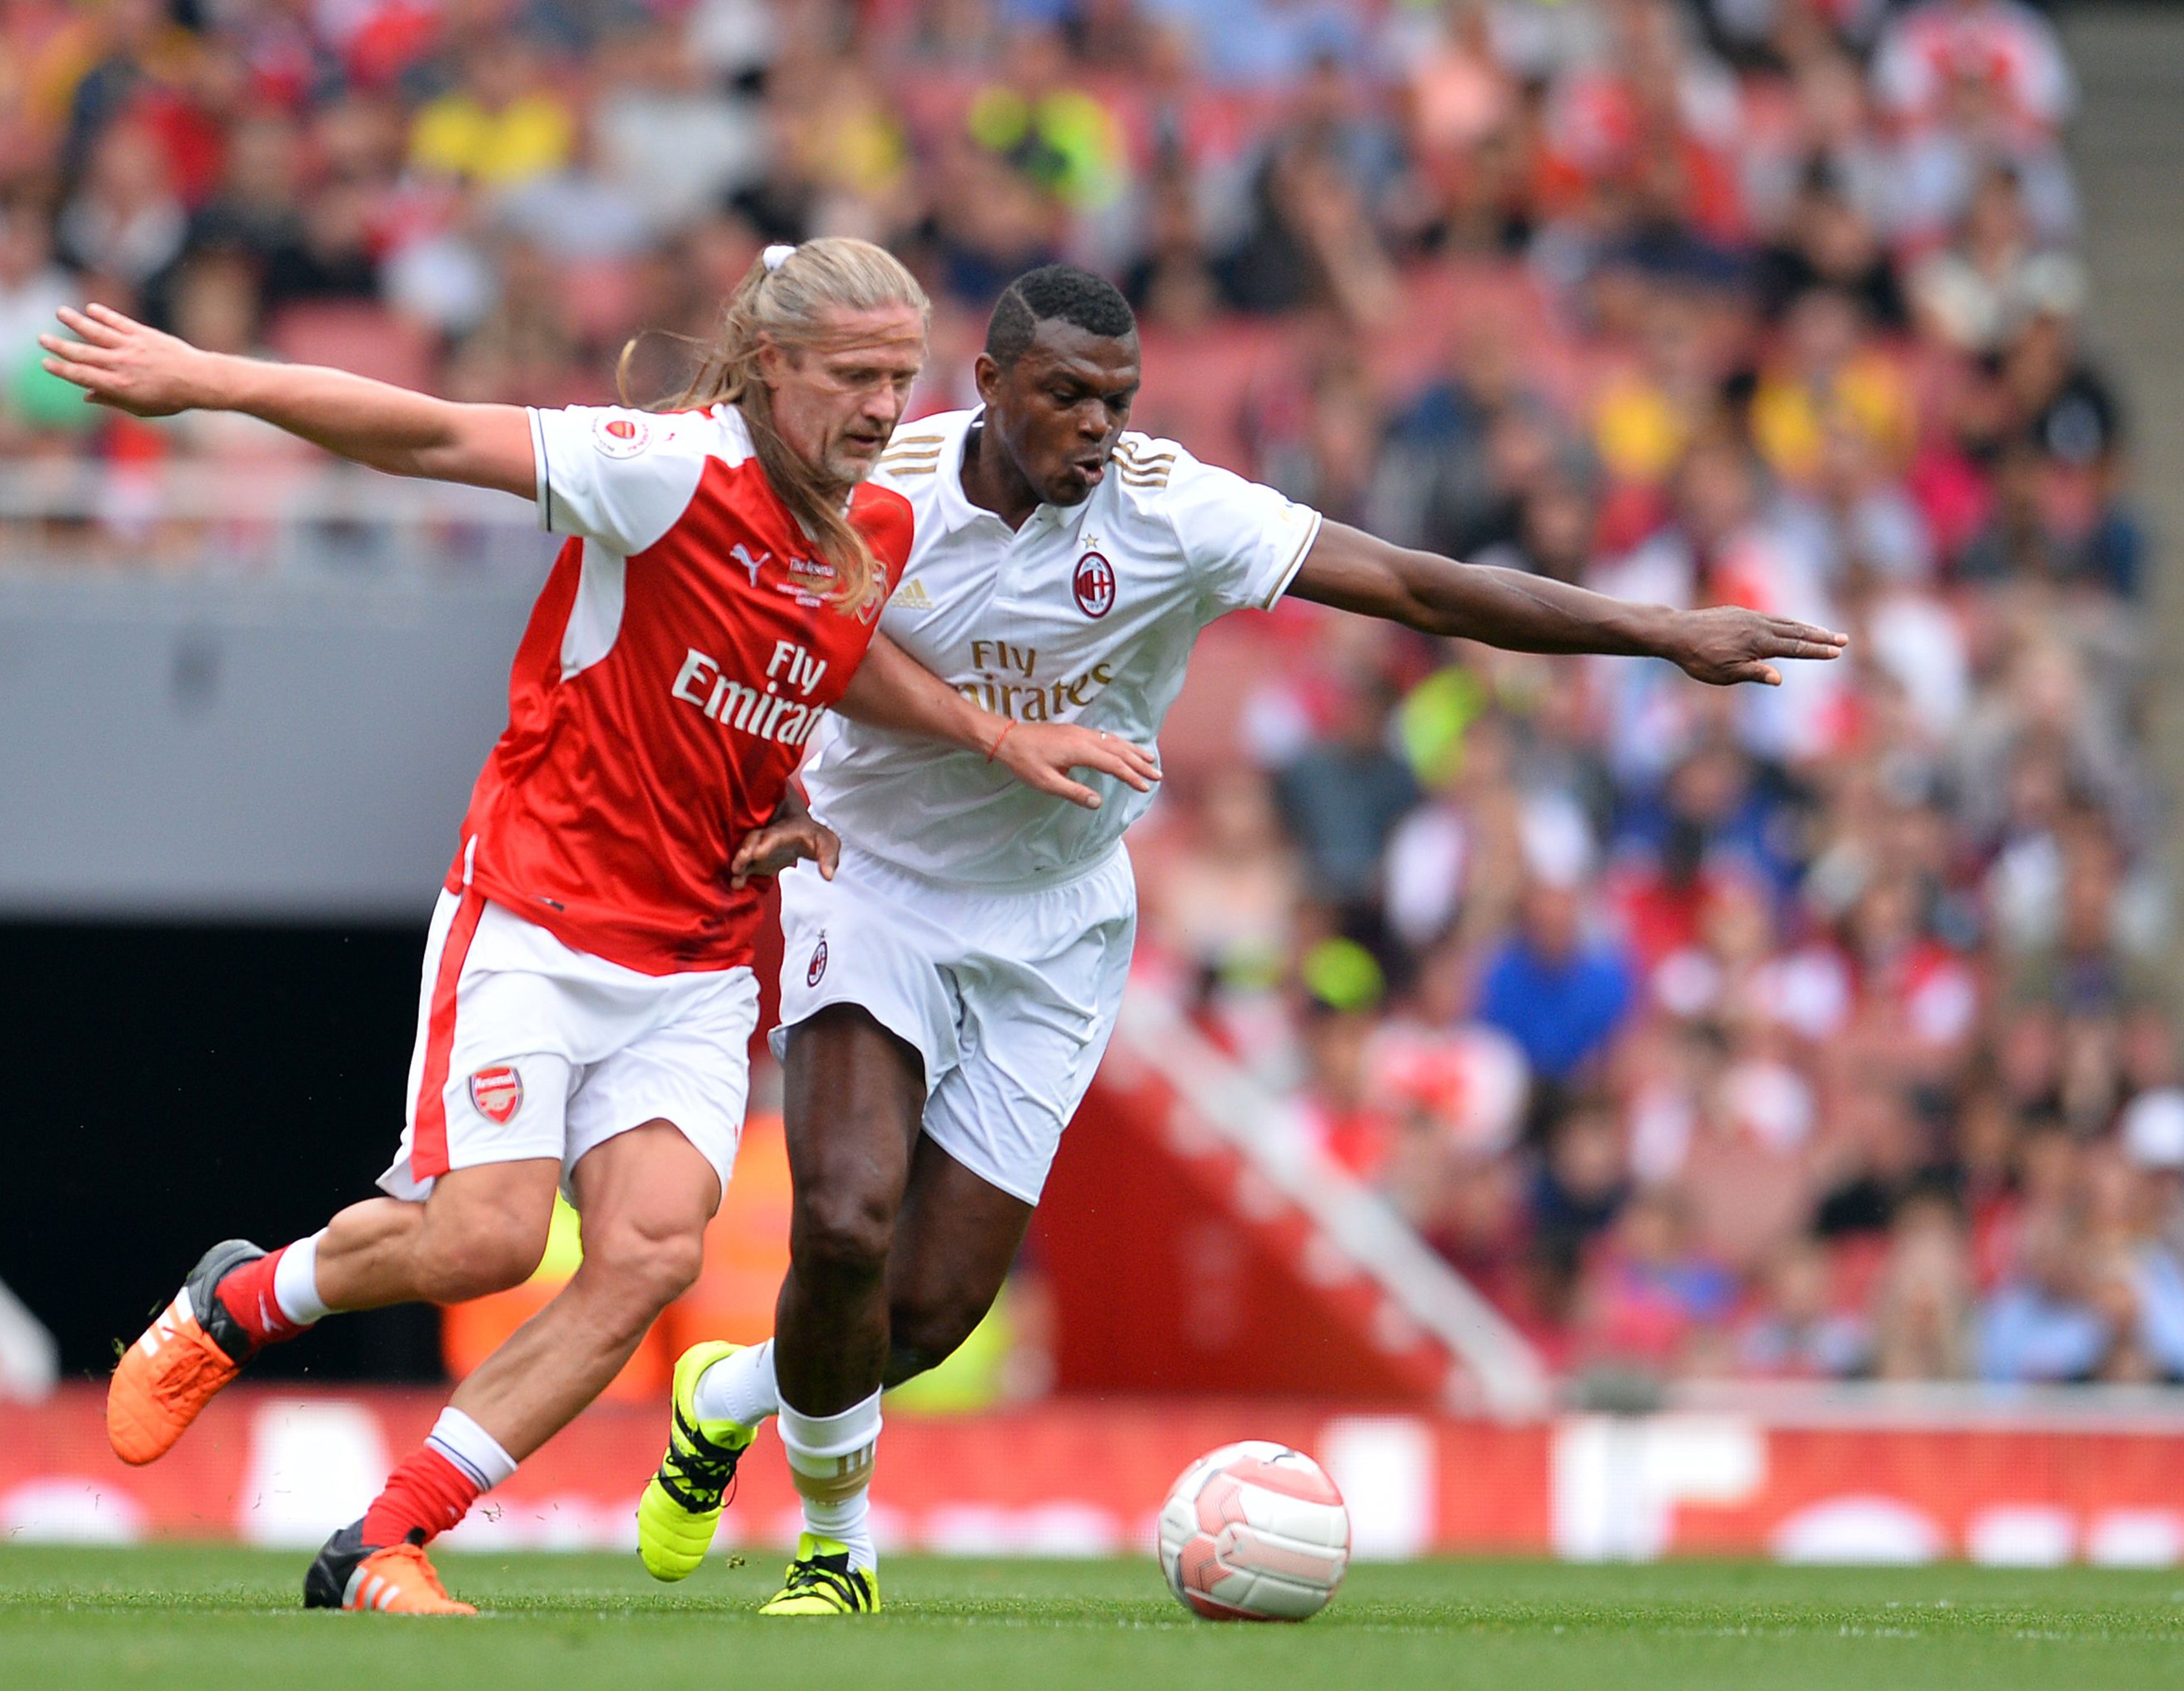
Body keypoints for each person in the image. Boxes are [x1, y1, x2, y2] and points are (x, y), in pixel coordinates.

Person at [636, 265, 1846, 1614]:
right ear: (988, 388)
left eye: (1119, 399)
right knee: (849, 1220)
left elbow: (1412, 585)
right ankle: (836, 1550)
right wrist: (770, 786)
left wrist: (1658, 630)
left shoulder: (1175, 510)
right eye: (1067, 397)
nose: (1100, 426)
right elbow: (761, 632)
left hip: (1055, 923)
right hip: (872, 890)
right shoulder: (883, 488)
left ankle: (729, 1392)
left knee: (922, 1315)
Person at [38, 238, 1159, 1616]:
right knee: (487, 1240)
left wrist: (891, 759)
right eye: (854, 376)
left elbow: (827, 655)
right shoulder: (665, 467)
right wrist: (207, 380)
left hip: (696, 952)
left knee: (648, 1256)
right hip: (539, 908)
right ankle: (247, 1298)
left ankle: (381, 1540)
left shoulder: (875, 530)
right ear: (767, 368)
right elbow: (437, 433)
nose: (884, 406)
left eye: (900, 377)